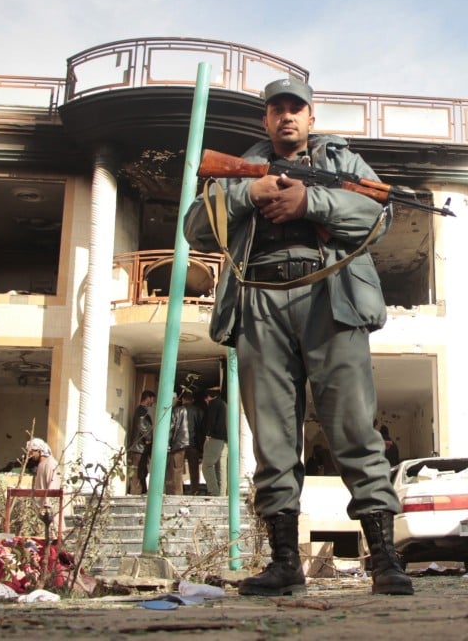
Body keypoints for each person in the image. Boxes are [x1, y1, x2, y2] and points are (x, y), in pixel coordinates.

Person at [183, 77, 413, 596]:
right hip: (259, 295)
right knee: (273, 439)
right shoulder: (242, 167)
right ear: (265, 120)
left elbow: (380, 213)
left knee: (355, 429)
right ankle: (285, 563)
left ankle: (385, 560)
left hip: (330, 295)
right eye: (276, 109)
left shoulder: (342, 162)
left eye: (296, 108)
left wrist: (312, 203)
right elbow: (195, 226)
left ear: (311, 116)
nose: (286, 116)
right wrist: (251, 192)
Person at [126, 390, 156, 495]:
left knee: (142, 471)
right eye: (152, 399)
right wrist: (148, 438)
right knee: (137, 472)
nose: (153, 402)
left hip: (140, 447)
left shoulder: (142, 411)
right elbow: (142, 425)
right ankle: (136, 493)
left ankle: (142, 491)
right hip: (139, 447)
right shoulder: (141, 412)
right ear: (148, 398)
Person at [200, 386, 228, 496]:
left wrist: (208, 434)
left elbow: (211, 421)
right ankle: (222, 493)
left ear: (208, 397)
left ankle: (213, 491)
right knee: (221, 468)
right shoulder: (224, 404)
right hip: (225, 440)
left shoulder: (213, 404)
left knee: (207, 465)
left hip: (215, 438)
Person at [164, 393, 190, 495]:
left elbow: (170, 427)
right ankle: (176, 492)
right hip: (183, 442)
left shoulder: (175, 410)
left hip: (177, 443)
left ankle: (175, 493)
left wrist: (167, 443)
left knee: (174, 470)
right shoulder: (183, 410)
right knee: (177, 469)